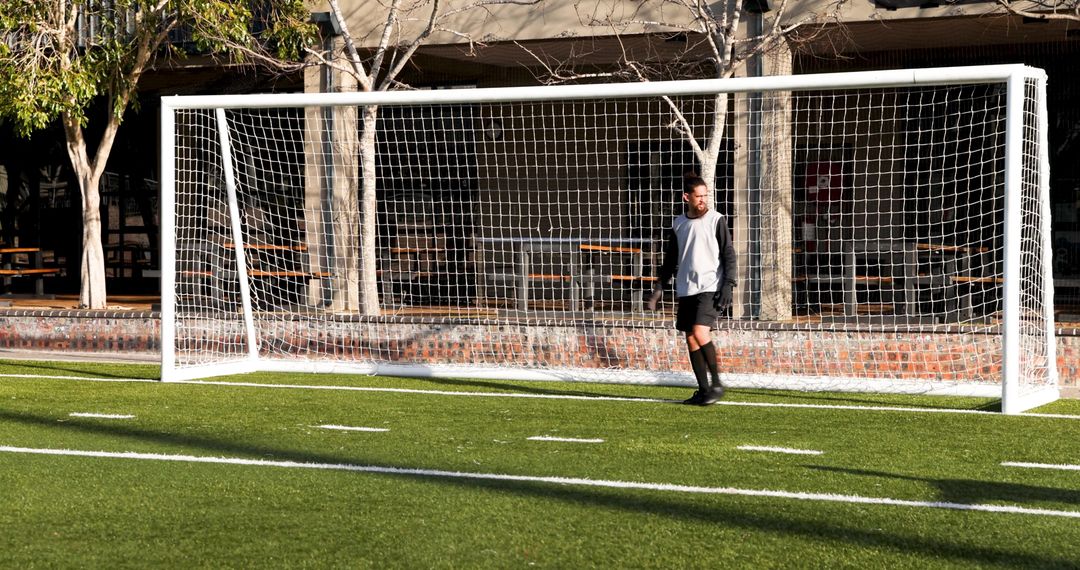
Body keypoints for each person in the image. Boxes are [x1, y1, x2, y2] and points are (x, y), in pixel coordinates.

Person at [646, 172, 737, 406]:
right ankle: (703, 390)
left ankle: (717, 384)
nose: (702, 200)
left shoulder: (716, 220)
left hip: (710, 286)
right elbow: (670, 260)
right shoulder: (679, 224)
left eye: (705, 196)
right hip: (686, 289)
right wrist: (658, 290)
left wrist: (729, 284)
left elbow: (729, 253)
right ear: (686, 197)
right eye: (698, 196)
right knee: (691, 339)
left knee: (699, 332)